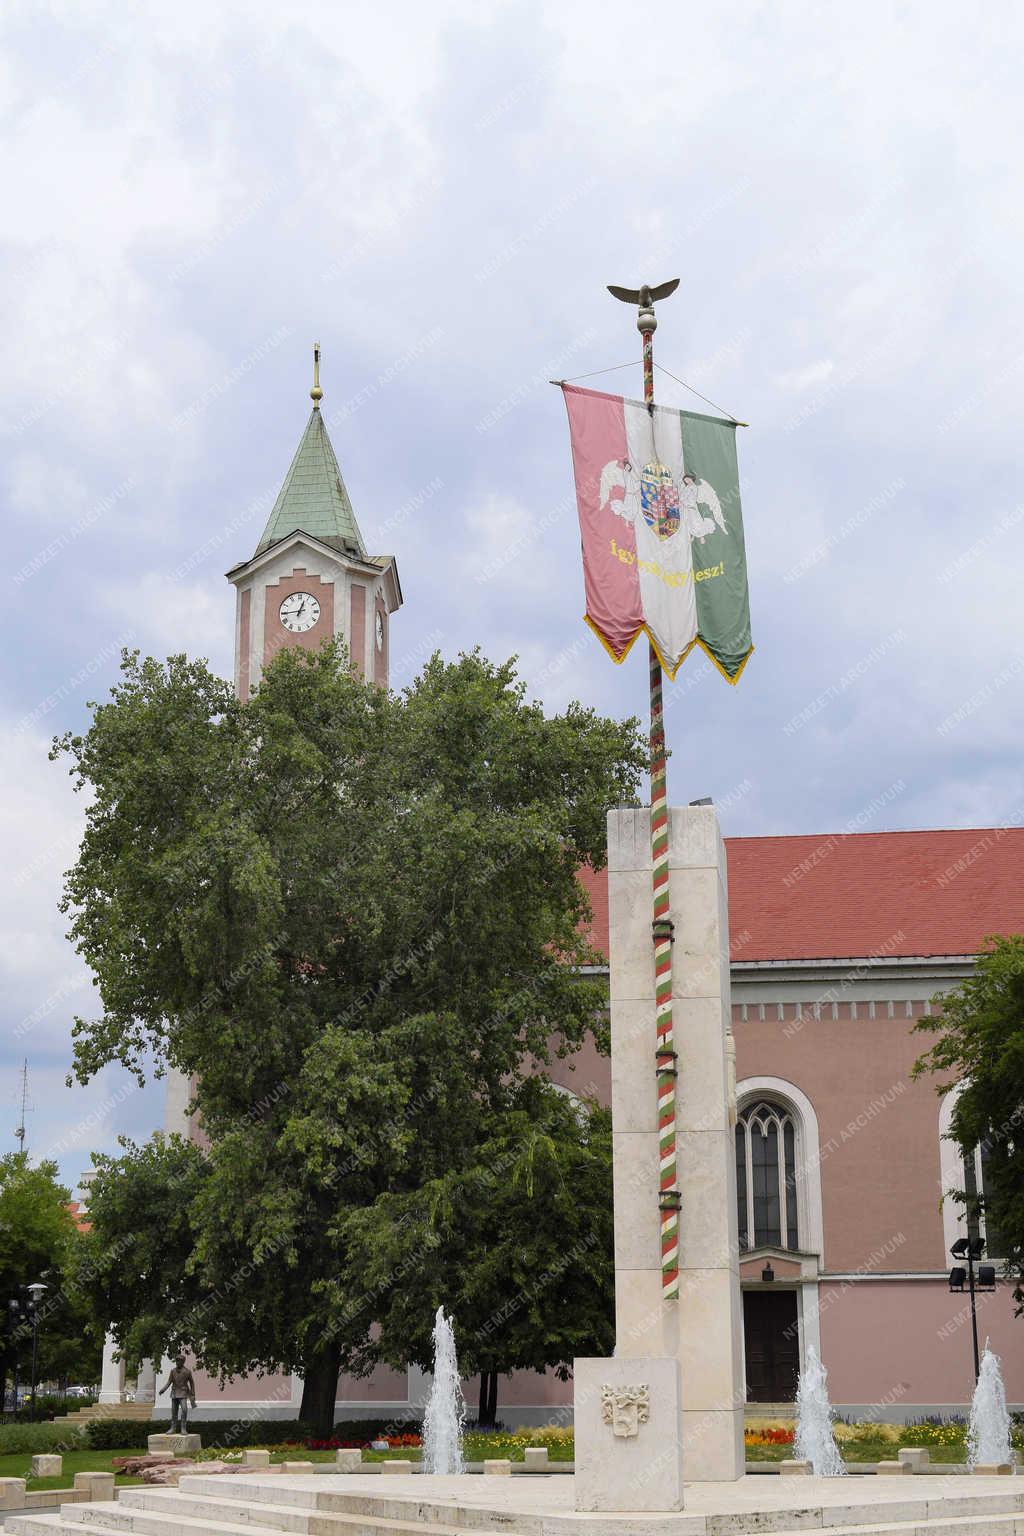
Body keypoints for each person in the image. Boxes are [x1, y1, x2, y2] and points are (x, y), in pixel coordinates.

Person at [157, 1355, 196, 1432]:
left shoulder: (187, 1372)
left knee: (184, 1409)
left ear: (183, 1362)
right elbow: (169, 1381)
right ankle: (173, 1428)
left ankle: (183, 1428)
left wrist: (193, 1393)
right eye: (177, 1361)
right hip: (174, 1393)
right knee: (174, 1412)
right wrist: (163, 1389)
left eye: (179, 1361)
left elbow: (192, 1382)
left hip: (183, 1393)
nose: (177, 1362)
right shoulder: (173, 1371)